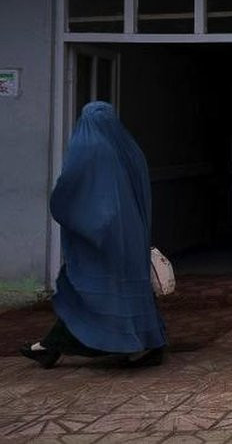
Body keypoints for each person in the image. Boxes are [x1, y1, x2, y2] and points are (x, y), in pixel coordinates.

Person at [21, 102, 167, 369]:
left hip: (100, 238)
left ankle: (53, 346)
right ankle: (52, 346)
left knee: (90, 294)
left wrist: (69, 210)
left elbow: (72, 188)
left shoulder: (89, 149)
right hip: (130, 236)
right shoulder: (128, 149)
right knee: (121, 292)